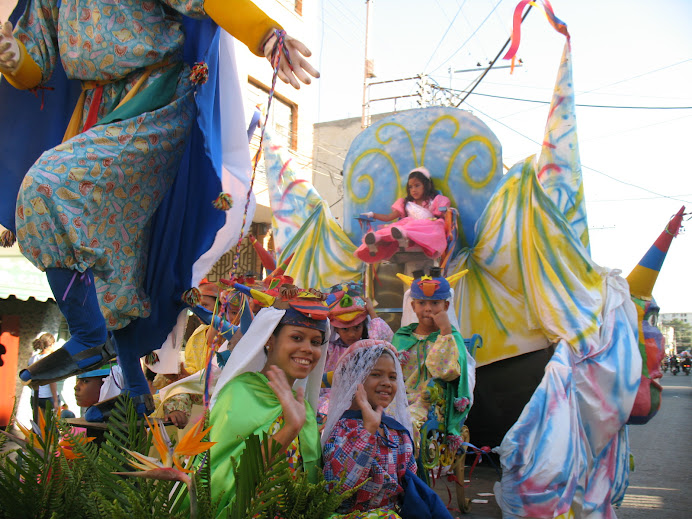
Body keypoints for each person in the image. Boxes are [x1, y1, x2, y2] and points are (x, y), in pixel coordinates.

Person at [2, 0, 319, 418]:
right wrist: (13, 58)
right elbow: (34, 66)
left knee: (47, 185)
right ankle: (133, 392)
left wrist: (264, 33)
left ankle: (86, 334)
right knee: (118, 251)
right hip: (95, 113)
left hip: (154, 101)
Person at [208, 285, 330, 516]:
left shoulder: (300, 405)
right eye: (297, 337)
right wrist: (290, 428)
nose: (308, 349)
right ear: (269, 340)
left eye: (315, 342)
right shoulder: (241, 392)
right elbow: (229, 476)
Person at [322, 339, 415, 517]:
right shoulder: (343, 429)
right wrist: (368, 431)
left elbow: (409, 486)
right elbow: (336, 488)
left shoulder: (396, 432)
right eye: (376, 374)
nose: (387, 382)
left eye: (393, 377)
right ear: (355, 379)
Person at [391, 269, 472, 448]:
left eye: (435, 303)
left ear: (446, 307)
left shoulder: (450, 337)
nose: (428, 308)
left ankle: (410, 471)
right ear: (413, 307)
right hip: (398, 398)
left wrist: (444, 332)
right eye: (422, 303)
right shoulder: (403, 336)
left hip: (430, 403)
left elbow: (444, 371)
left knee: (405, 423)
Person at [318, 285, 393, 415]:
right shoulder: (330, 348)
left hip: (367, 396)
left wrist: (371, 312)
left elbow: (383, 340)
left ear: (364, 325)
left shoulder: (368, 347)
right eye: (345, 329)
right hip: (332, 397)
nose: (352, 334)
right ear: (335, 329)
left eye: (357, 327)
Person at [355, 167, 451, 263]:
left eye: (417, 185)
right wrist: (372, 214)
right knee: (394, 230)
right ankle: (376, 241)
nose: (413, 190)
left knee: (436, 225)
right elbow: (389, 217)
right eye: (410, 187)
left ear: (426, 185)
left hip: (426, 228)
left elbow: (443, 214)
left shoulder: (433, 201)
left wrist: (448, 211)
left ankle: (402, 238)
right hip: (408, 226)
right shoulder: (406, 203)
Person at [28, 333, 59, 422]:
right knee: (49, 427)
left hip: (35, 395)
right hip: (48, 397)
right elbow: (52, 381)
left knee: (38, 425)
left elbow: (28, 378)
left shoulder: (33, 358)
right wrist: (55, 400)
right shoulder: (50, 360)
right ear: (52, 344)